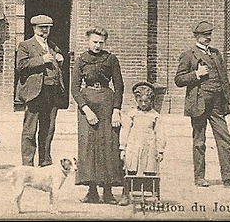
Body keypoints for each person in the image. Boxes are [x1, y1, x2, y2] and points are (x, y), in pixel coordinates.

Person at [173, 21, 230, 189]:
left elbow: (224, 77)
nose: (208, 38)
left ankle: (229, 178)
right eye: (205, 35)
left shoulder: (216, 54)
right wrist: (196, 74)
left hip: (217, 103)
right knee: (199, 141)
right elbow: (178, 80)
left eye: (209, 35)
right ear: (197, 36)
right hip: (199, 102)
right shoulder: (188, 55)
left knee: (225, 139)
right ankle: (199, 177)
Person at [71, 26, 124, 204]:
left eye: (101, 42)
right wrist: (85, 109)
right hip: (87, 105)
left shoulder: (111, 59)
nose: (98, 45)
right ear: (88, 41)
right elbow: (75, 88)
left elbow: (119, 86)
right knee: (88, 146)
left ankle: (108, 191)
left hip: (107, 104)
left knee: (108, 145)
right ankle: (91, 191)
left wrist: (116, 110)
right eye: (95, 42)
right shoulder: (81, 60)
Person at [15, 14, 66, 167]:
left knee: (48, 129)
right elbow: (21, 66)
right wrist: (41, 60)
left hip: (52, 93)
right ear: (34, 28)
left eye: (47, 28)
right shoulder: (25, 45)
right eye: (41, 27)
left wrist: (60, 59)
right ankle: (27, 165)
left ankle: (45, 162)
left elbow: (55, 65)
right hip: (34, 93)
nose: (45, 30)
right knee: (30, 130)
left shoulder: (52, 45)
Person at [118, 81, 166, 207]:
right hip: (133, 147)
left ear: (151, 100)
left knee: (151, 171)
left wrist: (160, 151)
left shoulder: (155, 116)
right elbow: (125, 131)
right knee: (130, 171)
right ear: (136, 100)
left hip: (149, 147)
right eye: (140, 102)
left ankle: (155, 195)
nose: (143, 104)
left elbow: (160, 134)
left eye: (147, 102)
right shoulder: (132, 114)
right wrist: (123, 148)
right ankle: (125, 195)